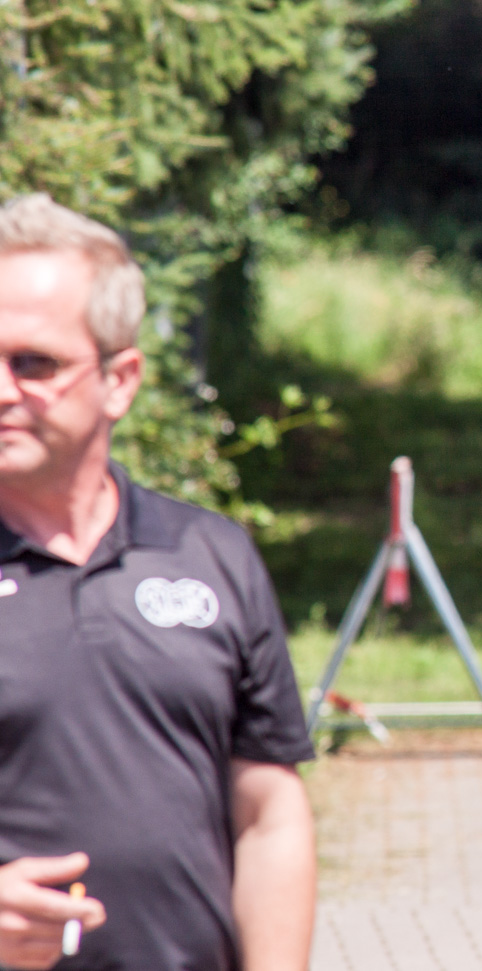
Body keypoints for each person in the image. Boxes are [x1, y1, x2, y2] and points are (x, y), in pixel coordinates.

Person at [0, 195, 316, 970]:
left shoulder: (209, 554)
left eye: (33, 364)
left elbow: (268, 812)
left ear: (121, 379)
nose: (2, 389)